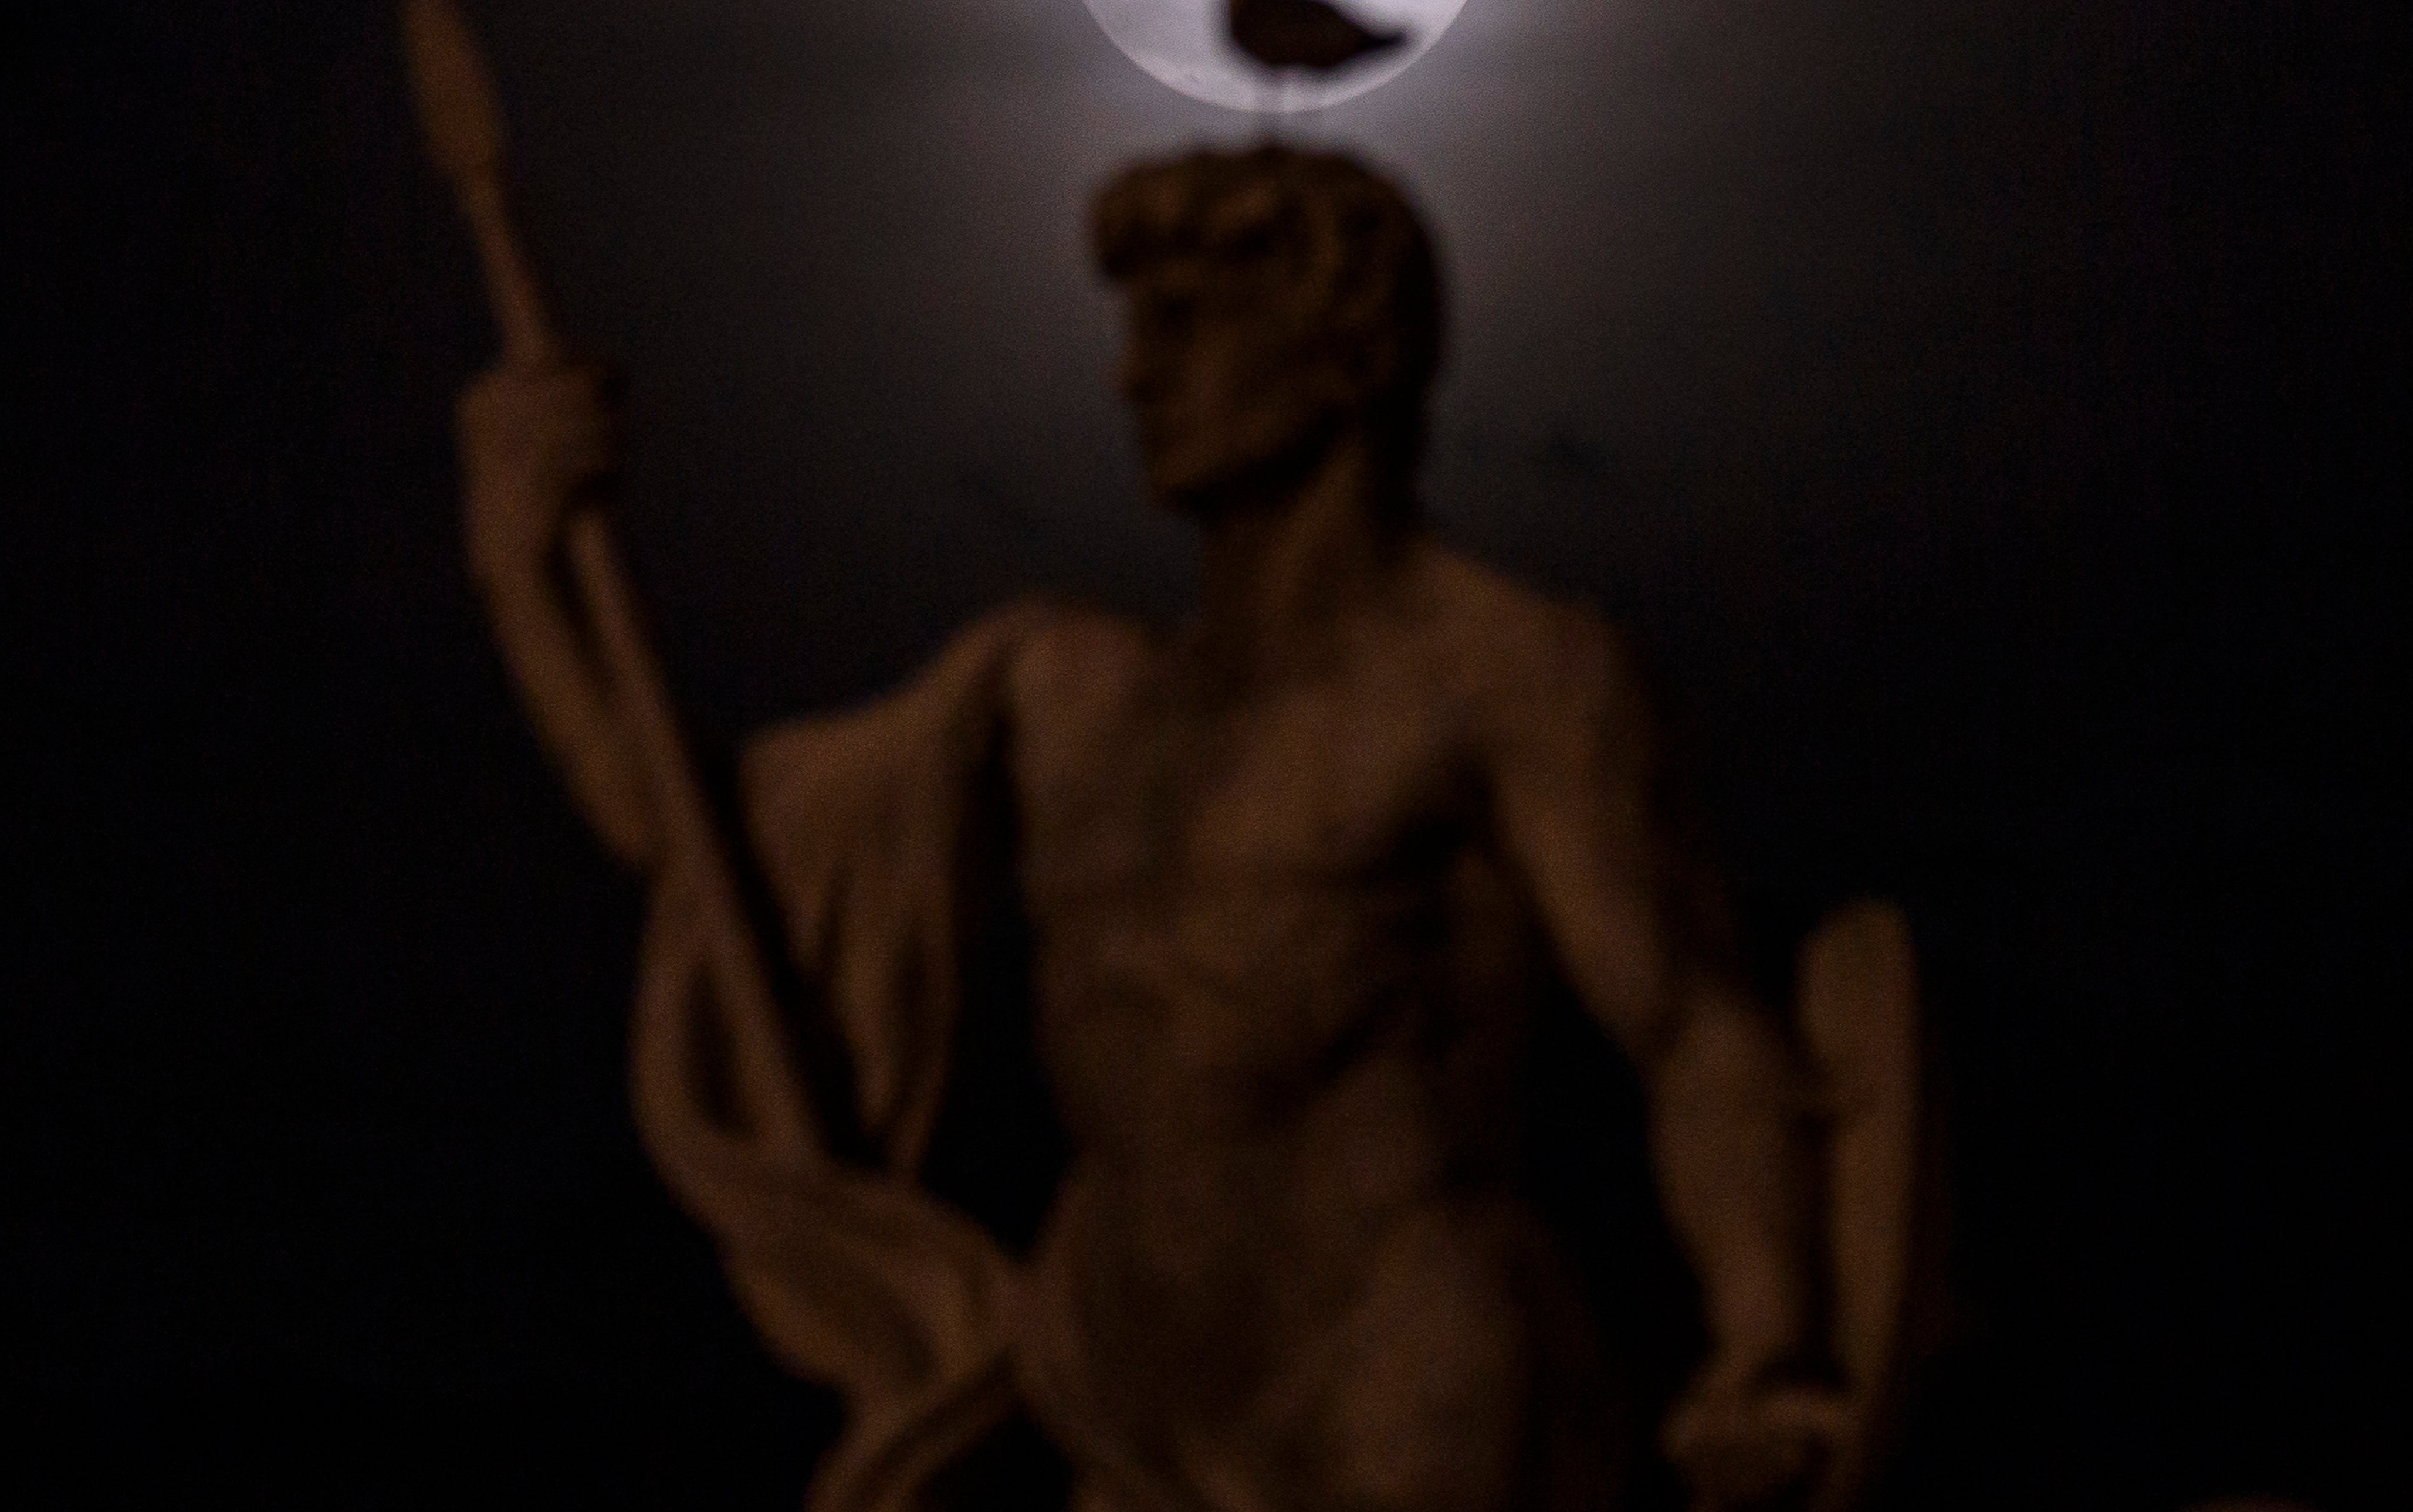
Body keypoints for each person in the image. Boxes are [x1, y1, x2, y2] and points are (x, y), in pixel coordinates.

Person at [458, 144, 1854, 1511]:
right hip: (1125, 1404)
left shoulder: (1501, 673)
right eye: (1133, 330)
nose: (1135, 373)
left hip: (1409, 1391)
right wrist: (518, 555)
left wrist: (1765, 1343)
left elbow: (1691, 1027)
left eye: (1186, 323)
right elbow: (691, 847)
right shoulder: (1056, 693)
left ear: (1344, 343)